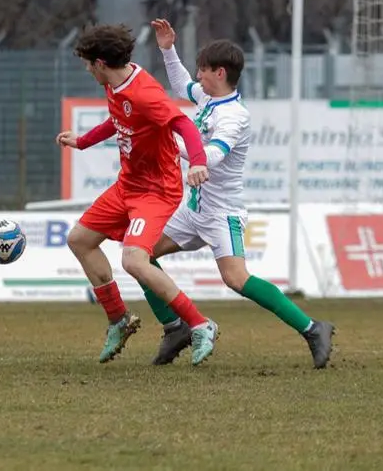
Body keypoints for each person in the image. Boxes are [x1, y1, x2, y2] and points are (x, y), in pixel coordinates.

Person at [142, 19, 336, 368]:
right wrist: (167, 48)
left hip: (221, 214)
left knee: (236, 279)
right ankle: (175, 327)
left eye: (202, 71)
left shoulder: (235, 116)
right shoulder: (207, 96)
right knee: (140, 257)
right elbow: (179, 84)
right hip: (193, 210)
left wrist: (180, 151)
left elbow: (215, 153)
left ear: (219, 72)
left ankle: (312, 328)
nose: (198, 77)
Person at [56, 23, 219, 366]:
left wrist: (198, 162)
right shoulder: (116, 83)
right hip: (128, 184)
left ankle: (200, 324)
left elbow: (184, 124)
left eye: (88, 63)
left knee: (133, 260)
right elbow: (119, 121)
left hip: (157, 191)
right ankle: (119, 319)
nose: (87, 69)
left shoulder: (144, 92)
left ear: (100, 63)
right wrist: (83, 141)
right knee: (80, 240)